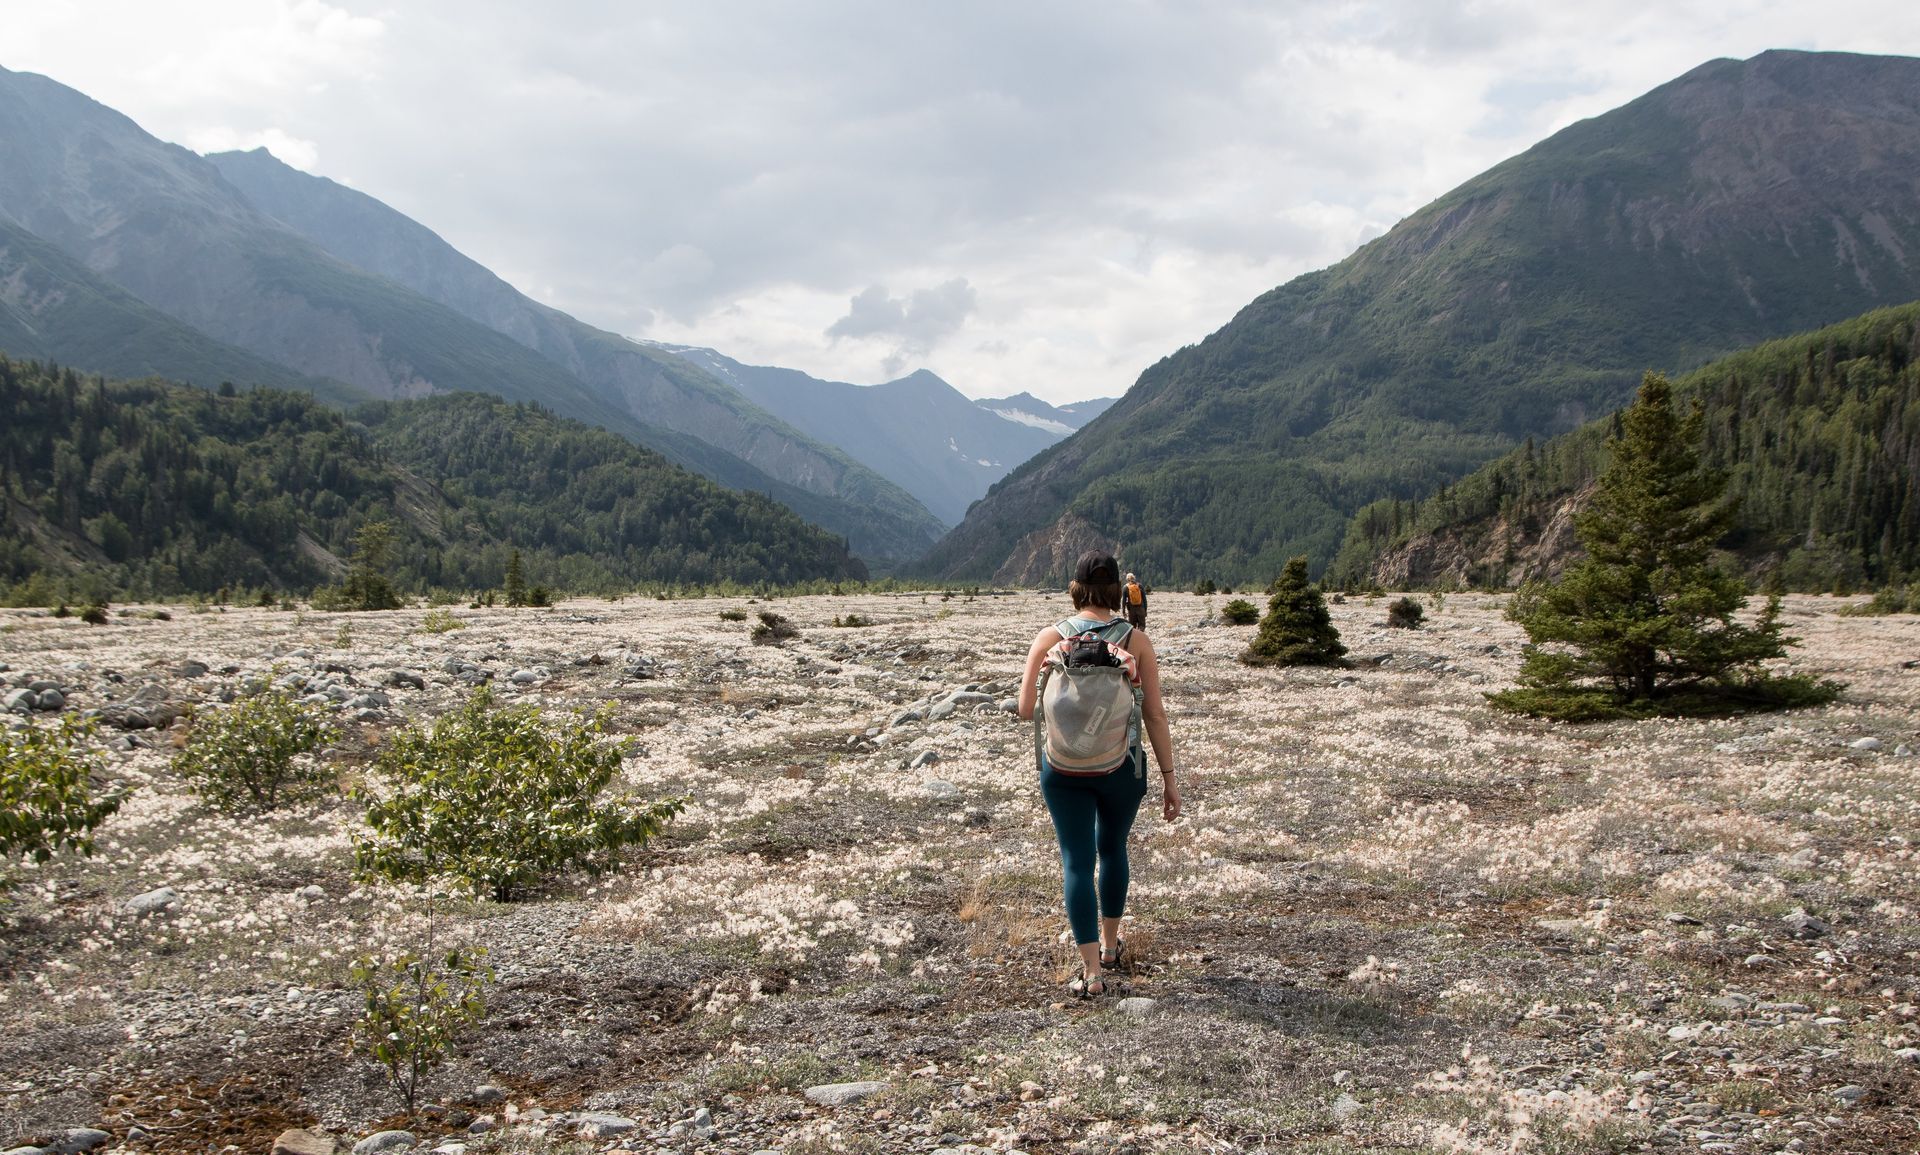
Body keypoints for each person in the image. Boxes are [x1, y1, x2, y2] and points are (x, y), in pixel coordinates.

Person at [1018, 551, 1181, 998]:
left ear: (1075, 589)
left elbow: (1026, 709)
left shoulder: (1049, 637)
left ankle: (1091, 974)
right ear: (1118, 593)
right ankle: (1111, 948)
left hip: (1062, 768)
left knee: (1076, 860)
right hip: (1121, 770)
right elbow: (1155, 716)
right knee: (1112, 850)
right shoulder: (1136, 641)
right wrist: (1169, 777)